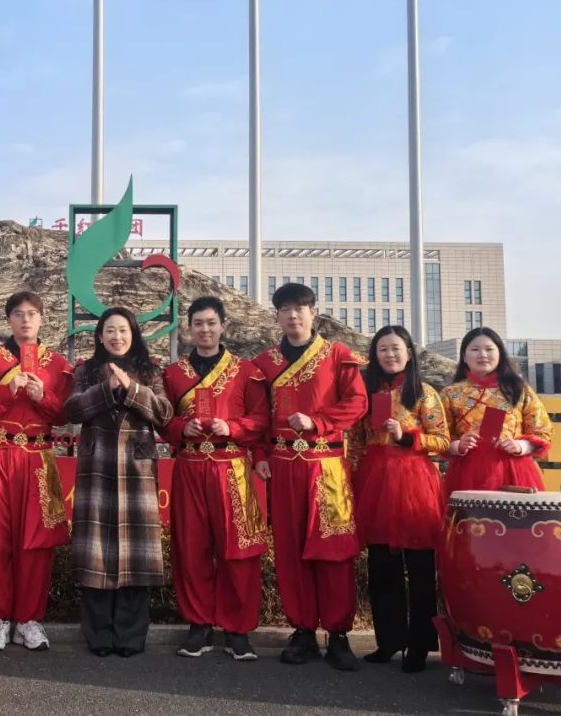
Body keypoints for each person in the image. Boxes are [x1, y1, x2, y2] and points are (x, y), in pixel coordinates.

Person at [251, 282, 368, 671]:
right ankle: (302, 630)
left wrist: (318, 421)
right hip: (283, 465)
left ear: (313, 312)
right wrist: (260, 454)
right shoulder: (264, 363)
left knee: (334, 551)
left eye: (299, 308)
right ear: (277, 317)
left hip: (327, 466)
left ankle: (338, 634)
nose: (293, 315)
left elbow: (357, 403)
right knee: (290, 549)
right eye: (285, 309)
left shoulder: (338, 356)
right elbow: (258, 415)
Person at [160, 296, 271, 661]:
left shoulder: (246, 371)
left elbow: (261, 419)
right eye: (198, 323)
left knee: (238, 549)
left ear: (224, 326)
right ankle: (199, 626)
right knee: (191, 549)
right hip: (190, 466)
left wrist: (233, 427)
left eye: (211, 323)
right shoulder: (173, 374)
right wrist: (182, 427)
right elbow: (162, 420)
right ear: (188, 328)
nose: (205, 330)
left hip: (232, 467)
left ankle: (238, 630)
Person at [0, 291, 74, 652]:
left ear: (42, 319)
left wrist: (44, 397)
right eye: (17, 314)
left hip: (39, 458)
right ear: (8, 319)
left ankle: (29, 619)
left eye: (31, 314)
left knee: (36, 540)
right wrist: (5, 390)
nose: (25, 320)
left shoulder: (58, 364)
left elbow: (66, 414)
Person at [64, 307, 173, 657]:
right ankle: (98, 636)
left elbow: (164, 414)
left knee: (134, 555)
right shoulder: (85, 370)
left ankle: (129, 637)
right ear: (100, 336)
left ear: (133, 333)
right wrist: (106, 388)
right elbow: (73, 410)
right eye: (110, 330)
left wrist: (131, 387)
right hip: (97, 466)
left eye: (123, 330)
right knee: (97, 554)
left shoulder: (150, 369)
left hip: (136, 468)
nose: (117, 337)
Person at [348, 325, 449, 673]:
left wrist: (406, 436)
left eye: (396, 348)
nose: (390, 355)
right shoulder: (365, 391)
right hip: (375, 481)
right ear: (374, 355)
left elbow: (442, 441)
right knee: (381, 566)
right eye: (383, 349)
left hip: (414, 481)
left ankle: (419, 645)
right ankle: (389, 640)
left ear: (408, 352)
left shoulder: (423, 392)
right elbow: (356, 440)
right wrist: (352, 476)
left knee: (420, 567)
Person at [441, 326, 553, 497]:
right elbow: (438, 437)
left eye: (489, 349)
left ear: (500, 353)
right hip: (466, 473)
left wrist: (520, 446)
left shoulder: (518, 389)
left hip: (514, 471)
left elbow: (542, 431)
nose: (482, 355)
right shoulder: (451, 393)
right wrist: (458, 446)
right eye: (475, 349)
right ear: (464, 356)